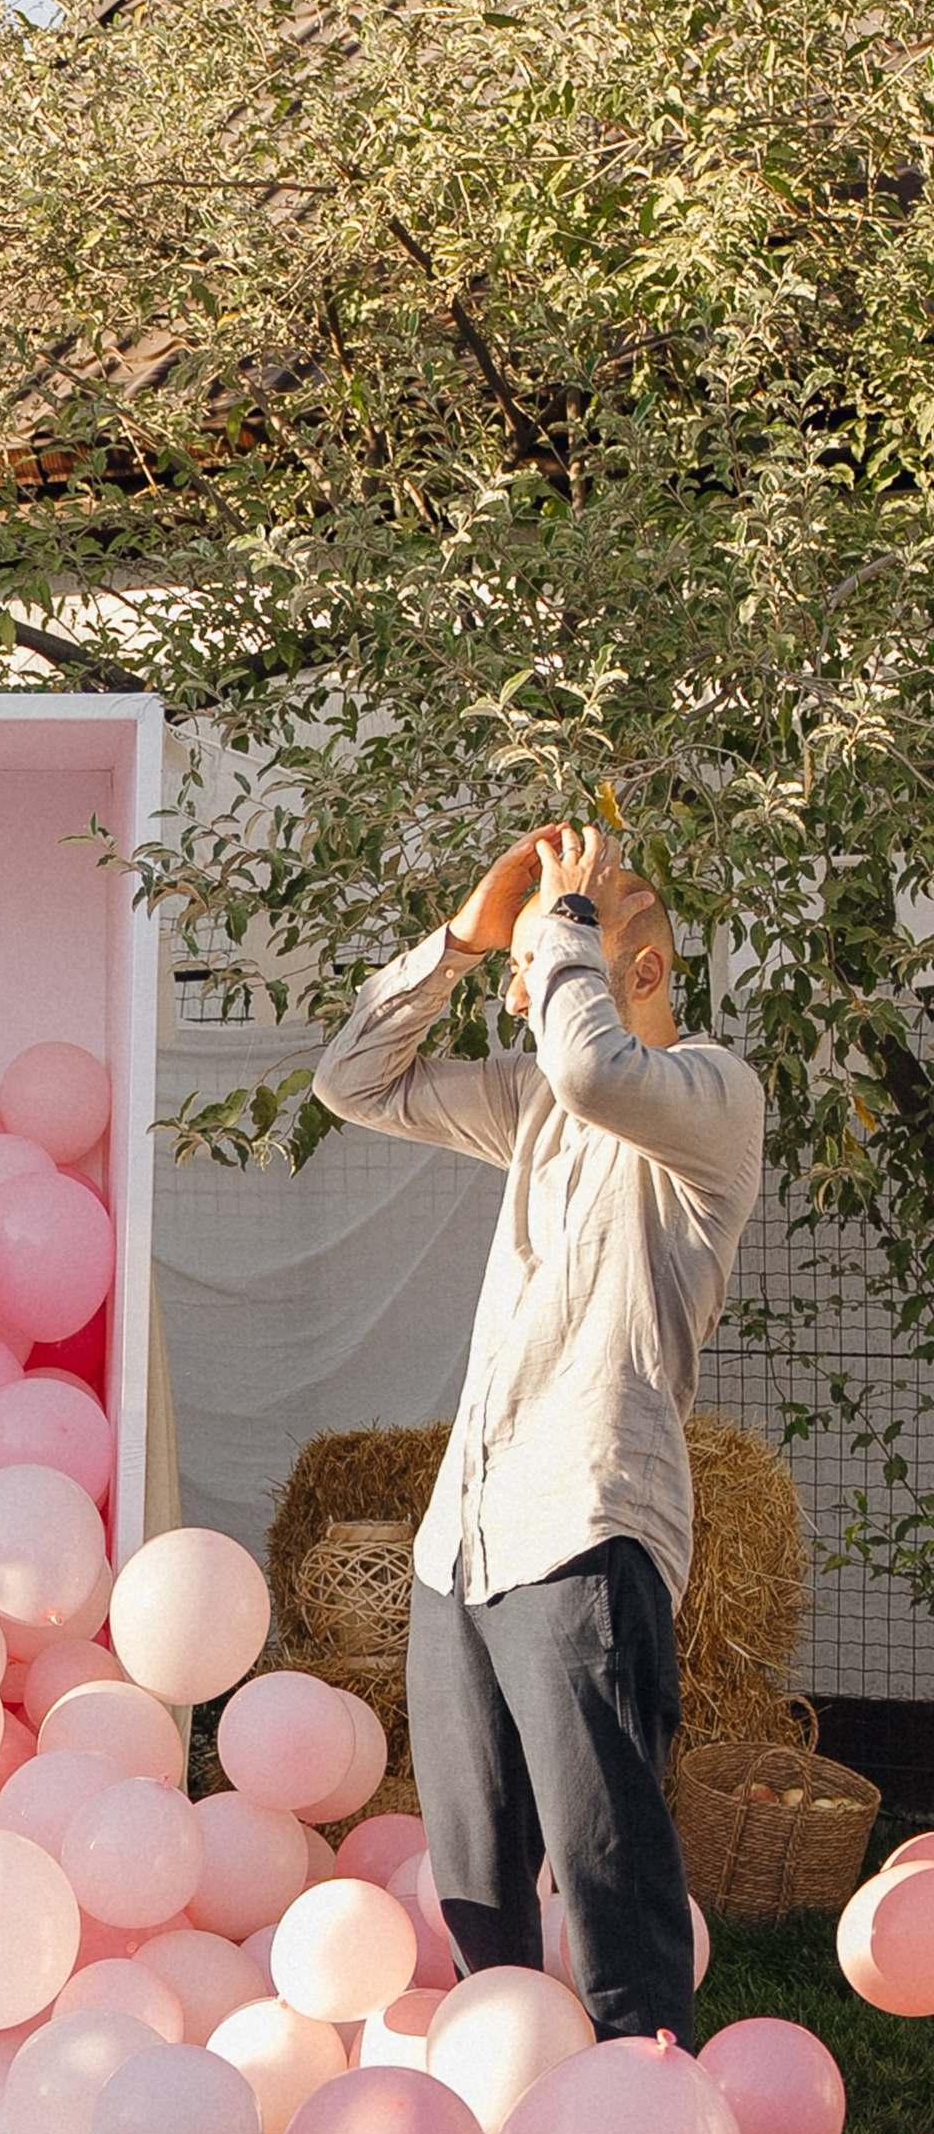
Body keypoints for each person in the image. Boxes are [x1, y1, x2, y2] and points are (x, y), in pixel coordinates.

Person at [311, 819, 764, 2044]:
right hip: (460, 1544)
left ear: (645, 973)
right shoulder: (531, 1106)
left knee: (610, 1875)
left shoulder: (714, 1097)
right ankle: (498, 2119)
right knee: (475, 1889)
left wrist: (566, 913)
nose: (530, 981)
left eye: (559, 952)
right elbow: (349, 1081)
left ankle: (644, 2112)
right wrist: (462, 938)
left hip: (584, 1523)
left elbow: (591, 1071)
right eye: (527, 960)